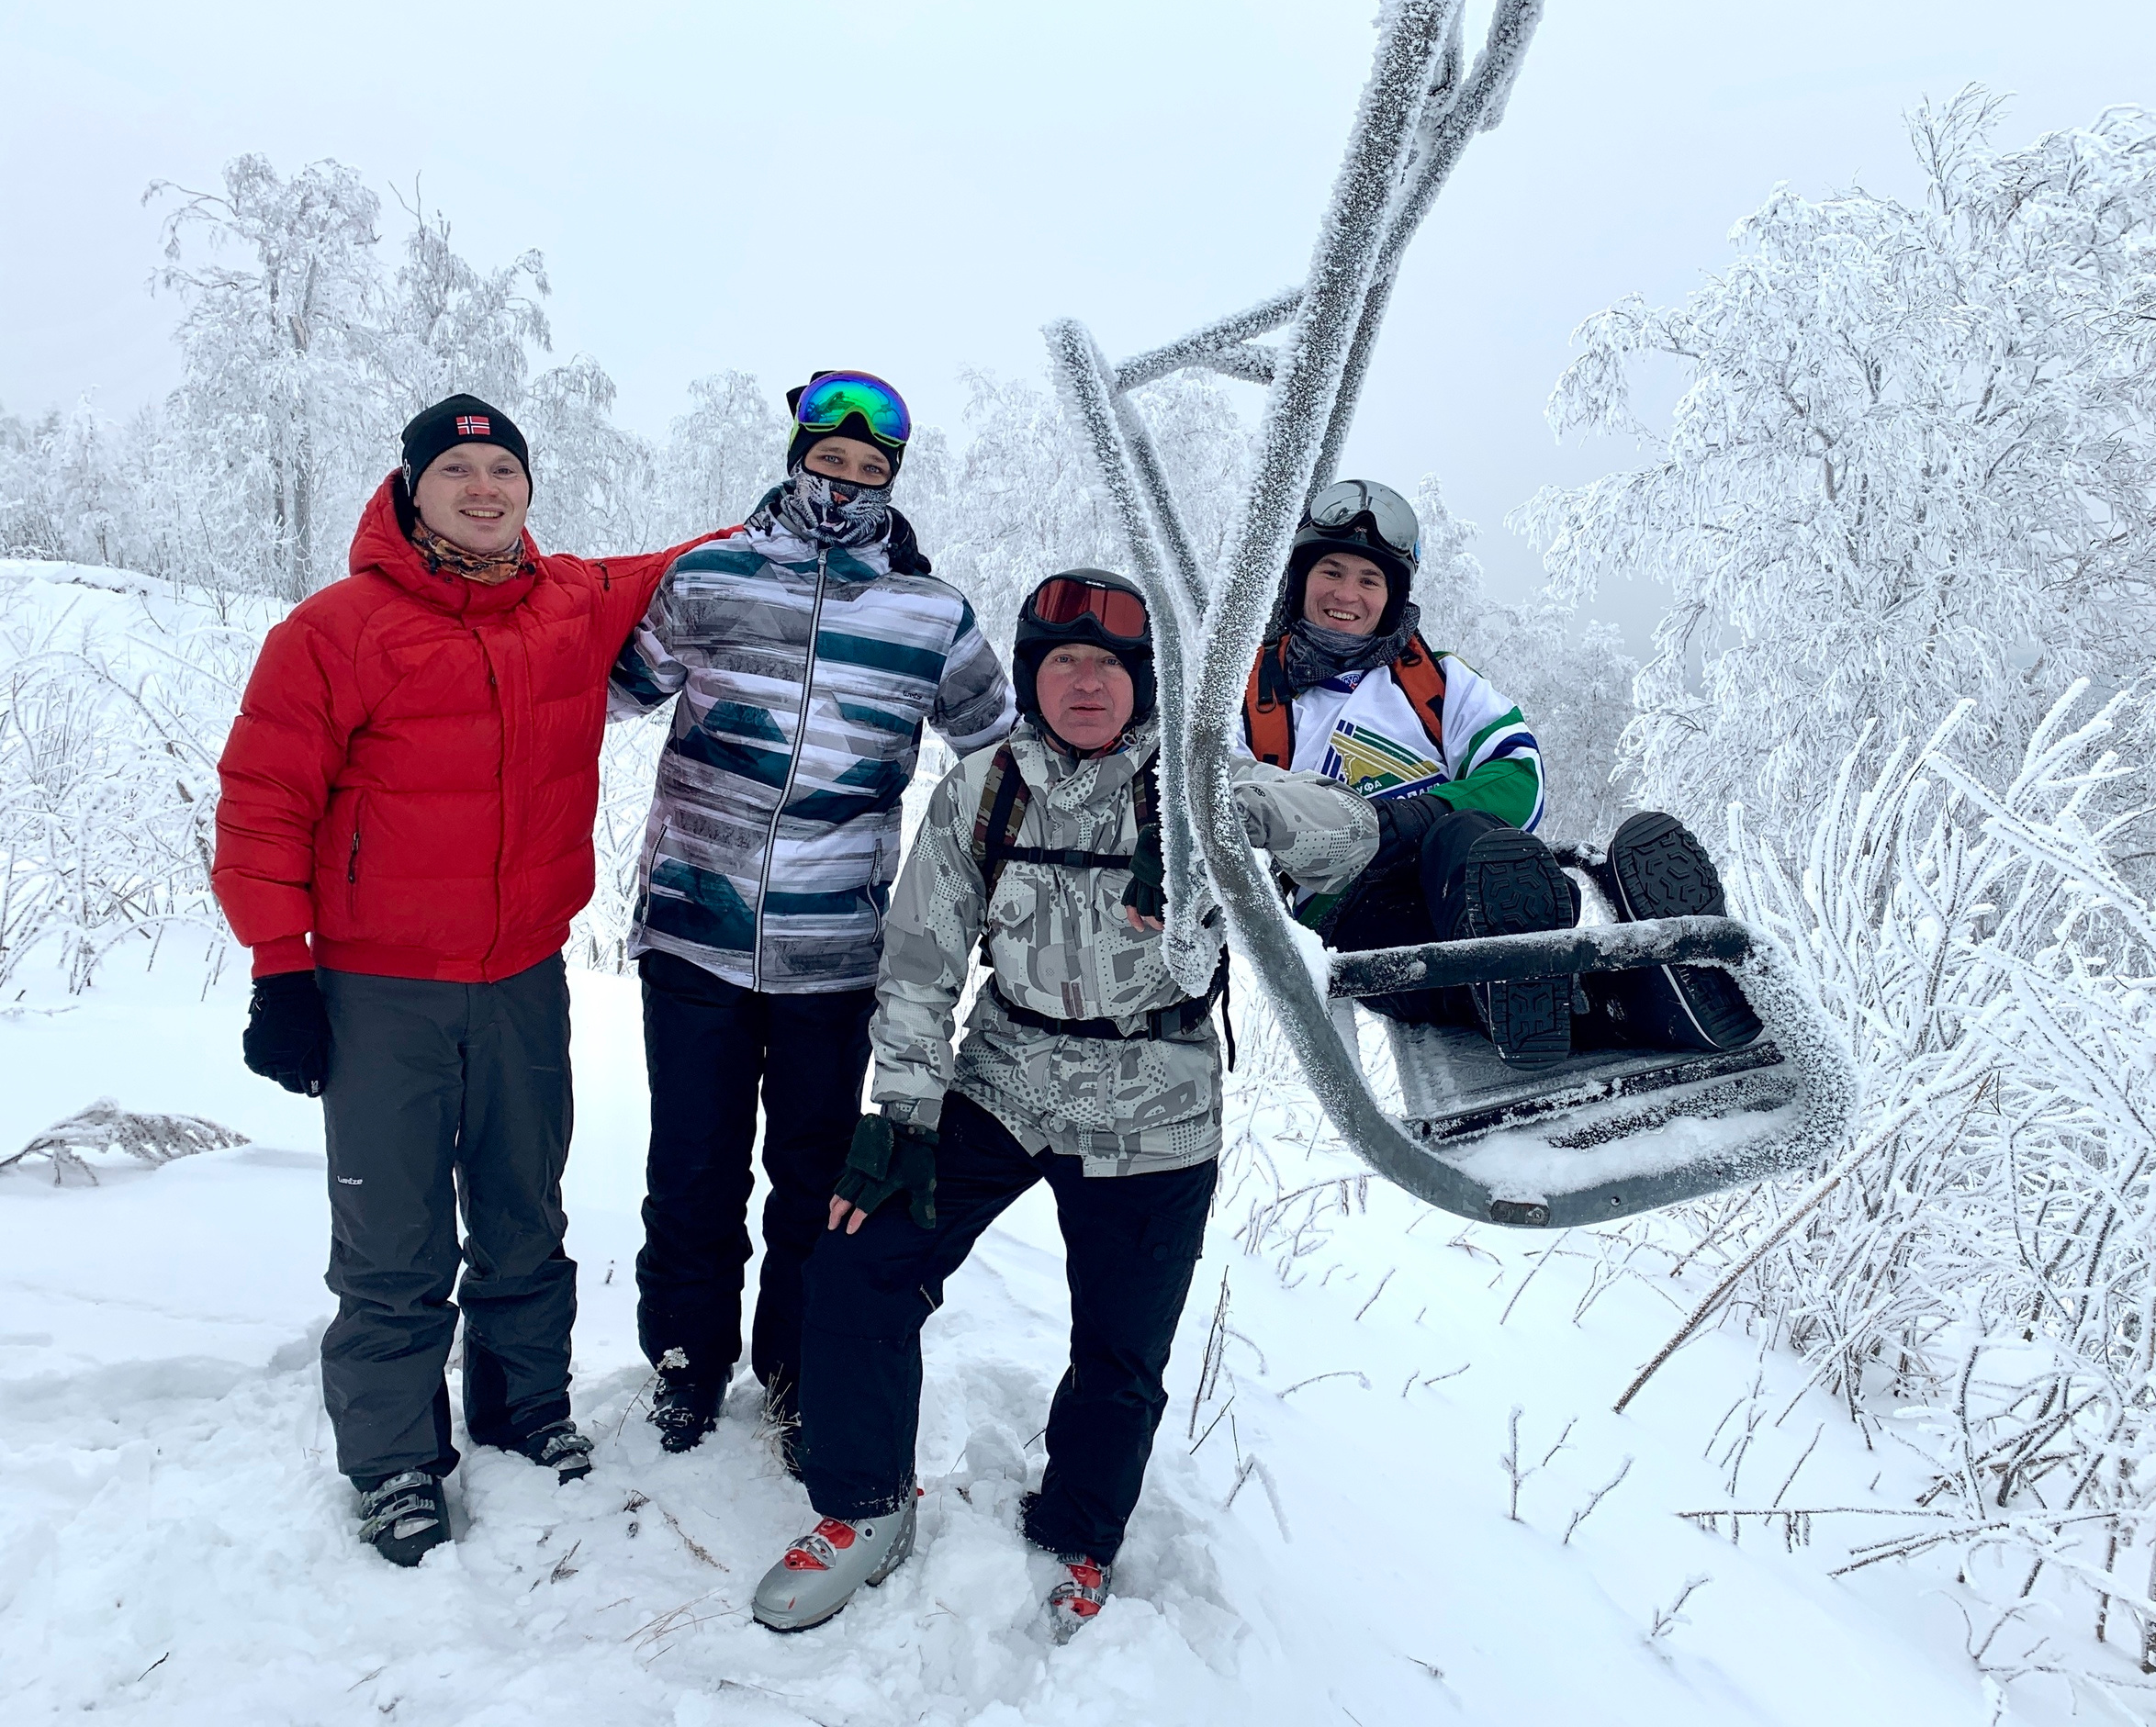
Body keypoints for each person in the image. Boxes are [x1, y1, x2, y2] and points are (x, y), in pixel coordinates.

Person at [747, 569, 1376, 1639]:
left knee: (1121, 1349)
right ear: (1032, 677)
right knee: (859, 1259)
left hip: (1155, 1103)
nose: (1085, 684)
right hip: (1004, 1077)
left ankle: (1078, 1536)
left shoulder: (1194, 783)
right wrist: (899, 1112)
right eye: (1060, 663)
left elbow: (1348, 838)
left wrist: (1232, 806)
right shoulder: (985, 786)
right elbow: (918, 958)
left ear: (1145, 683)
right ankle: (861, 1506)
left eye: (1109, 666)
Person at [214, 395, 685, 1567]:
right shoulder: (335, 631)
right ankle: (393, 1462)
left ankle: (526, 1412)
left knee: (526, 1209)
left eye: (504, 471)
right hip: (380, 991)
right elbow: (264, 807)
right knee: (394, 1239)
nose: (485, 490)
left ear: (529, 490)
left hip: (524, 976)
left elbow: (667, 565)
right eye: (458, 470)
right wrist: (283, 970)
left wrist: (800, 520)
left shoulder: (566, 605)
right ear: (410, 488)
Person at [608, 370, 1016, 1462]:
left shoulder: (930, 614)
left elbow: (1007, 758)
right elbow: (595, 691)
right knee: (691, 1167)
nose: (843, 482)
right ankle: (686, 1365)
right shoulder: (710, 578)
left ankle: (792, 1369)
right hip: (695, 930)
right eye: (828, 460)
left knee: (814, 1176)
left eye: (868, 467)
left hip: (835, 951)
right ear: (796, 456)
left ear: (893, 479)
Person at [1241, 478, 1760, 1067]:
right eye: (1331, 572)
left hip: (1458, 875)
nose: (1348, 594)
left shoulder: (1432, 680)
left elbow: (1518, 775)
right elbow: (1234, 800)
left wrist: (1413, 817)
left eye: (1370, 580)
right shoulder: (1255, 694)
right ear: (1299, 579)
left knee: (1471, 842)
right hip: (1347, 895)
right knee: (1425, 941)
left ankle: (1604, 973)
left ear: (1392, 596)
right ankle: (1621, 994)